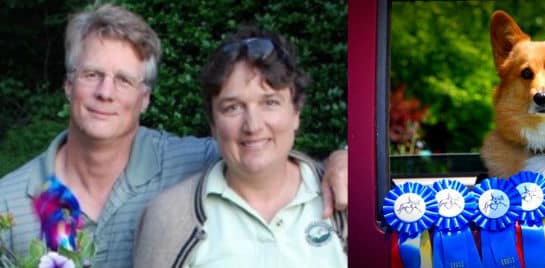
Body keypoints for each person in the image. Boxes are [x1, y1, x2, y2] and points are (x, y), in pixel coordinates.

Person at [0, 4, 347, 267]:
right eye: (92, 74)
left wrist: (343, 160)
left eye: (124, 80)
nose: (105, 92)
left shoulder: (189, 161)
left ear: (146, 97)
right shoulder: (9, 203)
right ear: (68, 84)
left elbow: (260, 152)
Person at [132, 26, 347, 267]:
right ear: (213, 123)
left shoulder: (345, 197)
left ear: (296, 112)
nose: (253, 126)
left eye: (270, 103)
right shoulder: (169, 218)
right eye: (232, 107)